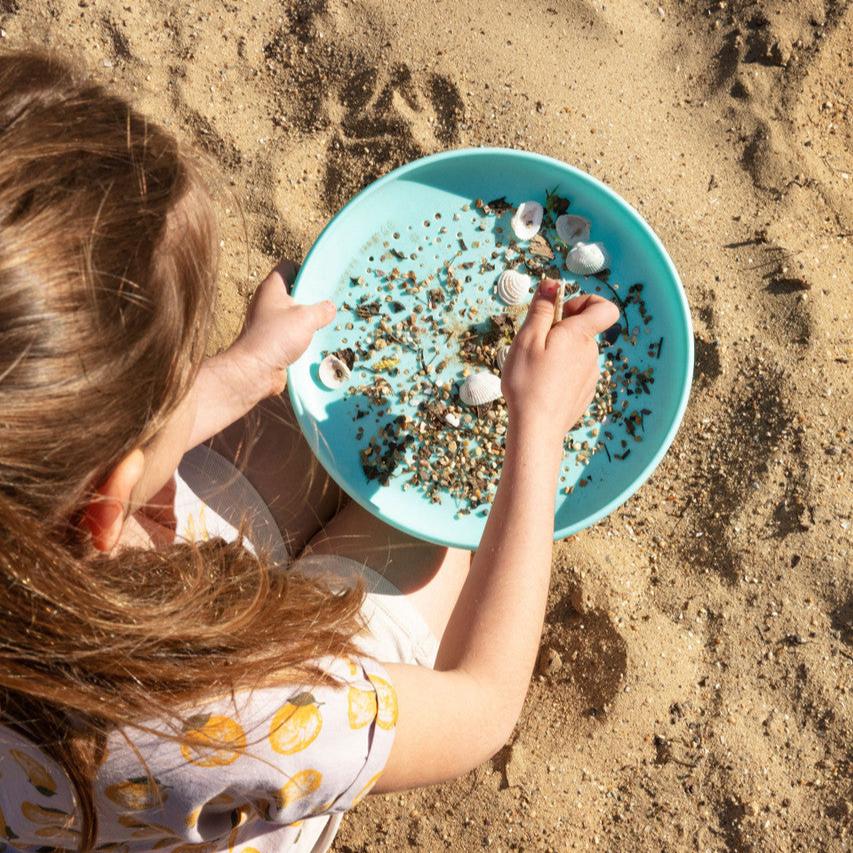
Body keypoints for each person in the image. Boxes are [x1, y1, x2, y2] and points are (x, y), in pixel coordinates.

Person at [0, 49, 619, 853]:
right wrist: (534, 431)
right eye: (172, 385)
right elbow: (479, 706)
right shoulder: (226, 714)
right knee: (427, 533)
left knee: (298, 426)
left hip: (91, 610)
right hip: (227, 742)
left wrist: (229, 378)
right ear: (104, 497)